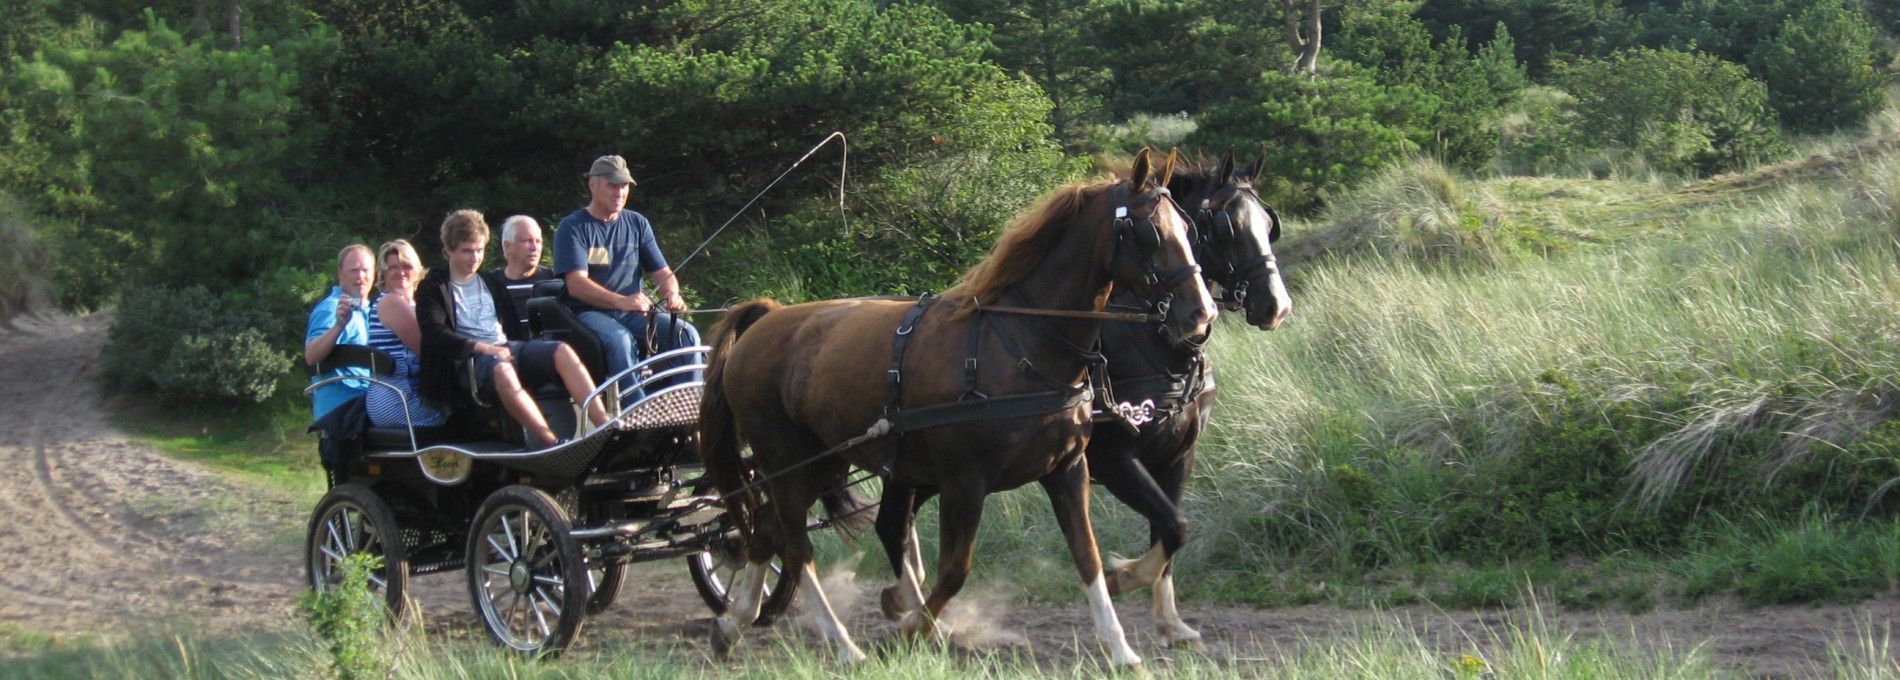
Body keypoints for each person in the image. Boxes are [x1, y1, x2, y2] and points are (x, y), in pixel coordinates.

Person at [417, 209, 612, 448]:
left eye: (479, 250)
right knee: (503, 370)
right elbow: (435, 334)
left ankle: (606, 428)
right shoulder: (433, 287)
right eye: (466, 251)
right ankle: (551, 443)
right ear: (448, 250)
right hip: (468, 362)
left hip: (505, 348)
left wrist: (524, 352)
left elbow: (512, 330)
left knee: (561, 351)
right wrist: (483, 348)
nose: (474, 258)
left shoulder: (490, 282)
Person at [553, 154, 701, 395]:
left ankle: (685, 402)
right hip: (587, 312)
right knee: (620, 340)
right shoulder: (573, 227)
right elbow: (577, 285)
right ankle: (635, 410)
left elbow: (662, 272)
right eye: (613, 185)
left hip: (633, 311)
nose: (619, 193)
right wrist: (623, 301)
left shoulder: (637, 223)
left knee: (686, 334)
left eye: (624, 186)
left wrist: (672, 294)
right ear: (593, 185)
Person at [364, 239, 448, 431]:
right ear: (383, 274)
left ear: (417, 270)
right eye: (392, 267)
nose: (400, 272)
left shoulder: (415, 305)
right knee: (465, 416)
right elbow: (428, 350)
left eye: (406, 265)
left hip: (406, 394)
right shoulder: (391, 302)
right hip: (396, 399)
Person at [304, 244, 375, 419]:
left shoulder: (370, 310)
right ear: (340, 273)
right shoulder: (332, 309)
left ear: (374, 273)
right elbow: (311, 356)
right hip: (343, 410)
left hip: (367, 402)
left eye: (365, 270)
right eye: (354, 271)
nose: (360, 276)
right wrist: (338, 326)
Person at [494, 214, 556, 327]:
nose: (534, 248)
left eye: (538, 241)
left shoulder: (554, 280)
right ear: (508, 246)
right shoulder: (491, 284)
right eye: (528, 241)